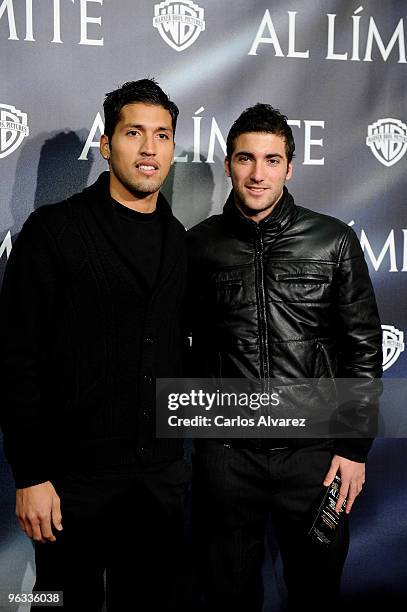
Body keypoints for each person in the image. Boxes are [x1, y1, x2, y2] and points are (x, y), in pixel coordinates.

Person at [0, 79, 190, 611]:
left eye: (163, 135)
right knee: (60, 603)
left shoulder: (180, 243)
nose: (150, 148)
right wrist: (32, 476)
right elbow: (16, 358)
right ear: (106, 146)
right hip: (68, 488)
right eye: (134, 133)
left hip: (158, 485)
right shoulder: (54, 231)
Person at [186, 103, 382, 611]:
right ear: (229, 164)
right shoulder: (197, 247)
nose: (258, 174)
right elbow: (170, 347)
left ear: (289, 167)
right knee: (225, 597)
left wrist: (354, 449)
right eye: (246, 159)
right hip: (228, 457)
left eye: (272, 160)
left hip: (314, 458)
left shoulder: (333, 241)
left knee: (316, 593)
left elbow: (363, 347)